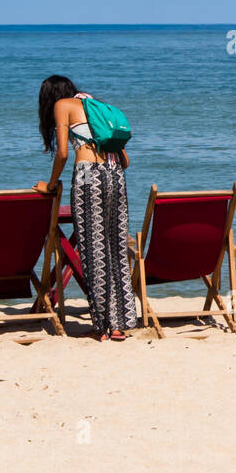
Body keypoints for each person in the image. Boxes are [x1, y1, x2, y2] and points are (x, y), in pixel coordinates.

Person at [35, 75, 138, 341]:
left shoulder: (63, 105)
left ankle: (102, 327)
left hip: (87, 175)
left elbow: (63, 154)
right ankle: (119, 324)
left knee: (94, 248)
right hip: (115, 175)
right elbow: (124, 159)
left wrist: (50, 184)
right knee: (116, 246)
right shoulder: (95, 105)